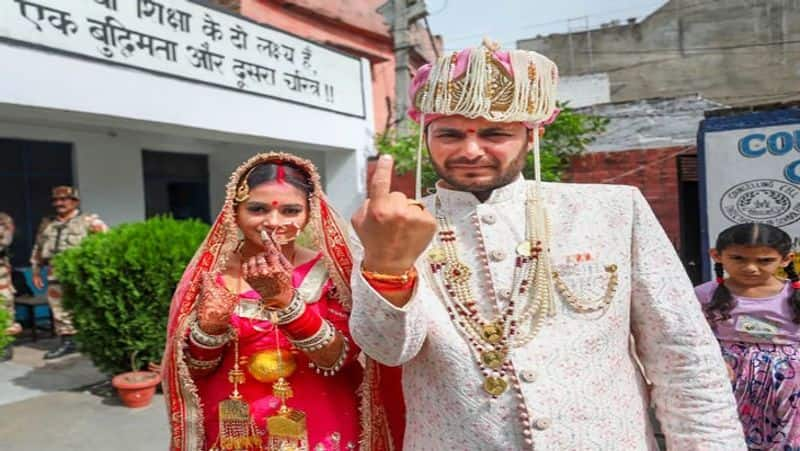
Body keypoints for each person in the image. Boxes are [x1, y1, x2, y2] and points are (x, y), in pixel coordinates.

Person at [348, 40, 745, 449]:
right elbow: (388, 350)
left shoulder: (613, 210)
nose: (470, 150)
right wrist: (388, 264)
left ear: (532, 136)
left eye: (494, 133)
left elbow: (683, 357)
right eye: (449, 134)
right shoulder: (387, 228)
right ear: (425, 136)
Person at [162, 153, 399, 451]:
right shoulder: (211, 275)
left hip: (320, 419)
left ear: (309, 214)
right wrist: (210, 329)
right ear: (234, 212)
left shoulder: (329, 271)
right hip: (235, 425)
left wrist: (286, 303)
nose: (274, 222)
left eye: (291, 210)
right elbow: (192, 371)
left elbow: (341, 357)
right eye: (258, 209)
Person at [696, 223, 800, 450]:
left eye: (764, 261)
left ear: (786, 259)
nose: (751, 268)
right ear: (716, 256)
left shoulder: (795, 293)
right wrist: (714, 361)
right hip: (729, 375)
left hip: (791, 381)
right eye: (738, 258)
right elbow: (693, 336)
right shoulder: (704, 295)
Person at [30, 186, 107, 359]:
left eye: (64, 199)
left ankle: (93, 342)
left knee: (86, 307)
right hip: (54, 273)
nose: (59, 203)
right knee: (59, 310)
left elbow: (105, 243)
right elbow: (38, 248)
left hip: (80, 273)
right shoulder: (48, 225)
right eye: (56, 200)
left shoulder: (88, 221)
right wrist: (36, 271)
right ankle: (68, 342)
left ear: (75, 202)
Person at [0, 212, 21, 361]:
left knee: (5, 313)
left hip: (1, 280)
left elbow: (5, 242)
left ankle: (5, 350)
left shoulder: (4, 220)